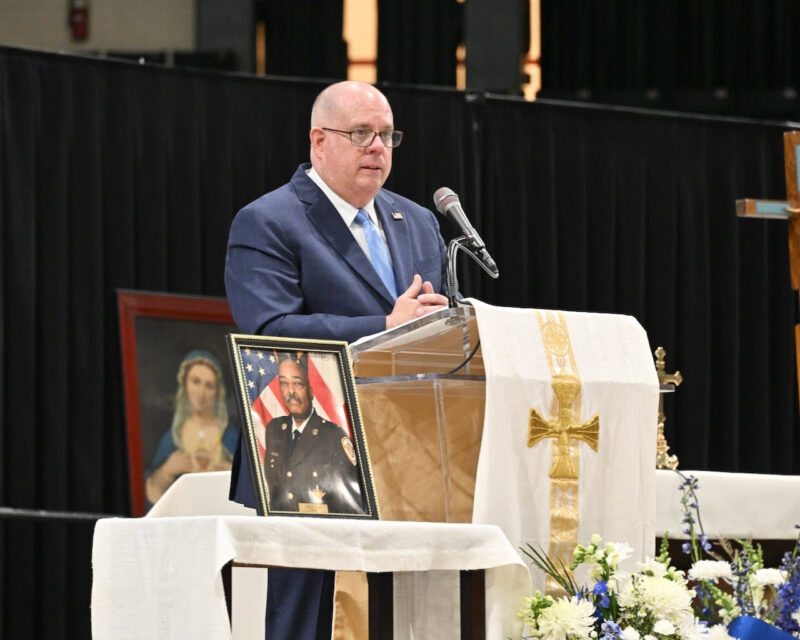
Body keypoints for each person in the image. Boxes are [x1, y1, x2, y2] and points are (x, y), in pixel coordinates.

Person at [225, 80, 449, 640]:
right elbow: (269, 331)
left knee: (402, 616)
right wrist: (385, 326)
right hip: (307, 457)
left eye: (387, 135)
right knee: (310, 619)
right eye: (360, 134)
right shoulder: (269, 221)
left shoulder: (418, 221)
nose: (378, 146)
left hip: (408, 452)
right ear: (318, 141)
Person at [264, 353, 363, 514]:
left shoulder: (334, 437)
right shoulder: (274, 430)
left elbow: (350, 504)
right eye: (283, 383)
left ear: (310, 391)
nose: (291, 392)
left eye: (297, 384)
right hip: (280, 527)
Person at [145, 350, 236, 507]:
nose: (201, 393)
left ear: (218, 392)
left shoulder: (230, 437)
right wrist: (166, 472)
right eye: (195, 382)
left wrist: (235, 475)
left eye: (209, 386)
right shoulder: (172, 438)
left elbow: (256, 488)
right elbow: (151, 499)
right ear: (184, 384)